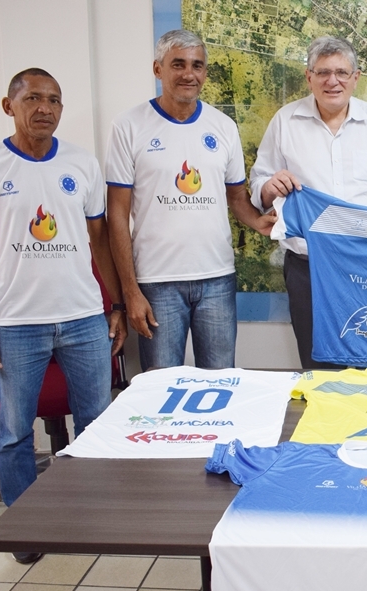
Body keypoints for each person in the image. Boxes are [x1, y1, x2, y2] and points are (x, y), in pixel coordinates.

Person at [0, 68, 127, 563]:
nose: (44, 108)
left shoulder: (81, 164)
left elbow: (98, 242)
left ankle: (95, 514)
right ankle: (27, 526)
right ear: (9, 106)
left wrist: (113, 306)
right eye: (32, 98)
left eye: (53, 100)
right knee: (14, 431)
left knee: (95, 421)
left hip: (83, 321)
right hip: (16, 325)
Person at [106, 29, 272, 371]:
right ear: (158, 69)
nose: (188, 74)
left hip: (217, 278)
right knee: (161, 389)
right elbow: (117, 217)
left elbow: (237, 199)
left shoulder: (223, 127)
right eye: (177, 64)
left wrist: (259, 221)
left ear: (205, 73)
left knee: (220, 382)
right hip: (156, 282)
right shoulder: (128, 126)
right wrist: (129, 293)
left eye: (197, 65)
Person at [250, 36, 367, 369]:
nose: (332, 81)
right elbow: (259, 184)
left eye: (341, 72)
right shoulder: (285, 121)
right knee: (317, 361)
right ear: (308, 77)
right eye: (322, 72)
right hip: (307, 266)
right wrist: (268, 186)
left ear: (356, 77)